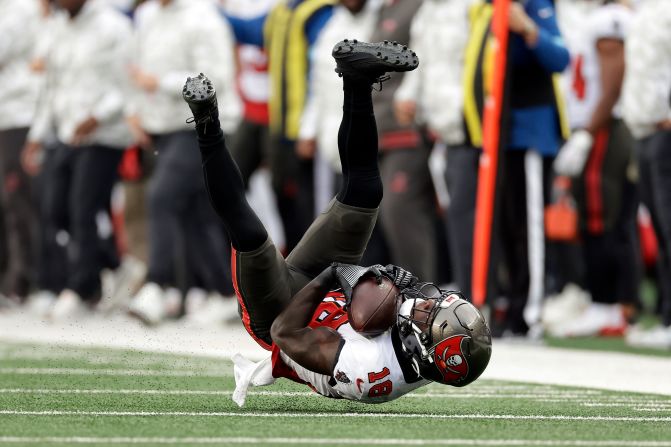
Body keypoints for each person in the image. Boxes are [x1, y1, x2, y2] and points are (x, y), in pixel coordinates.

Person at [181, 40, 491, 405]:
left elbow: (285, 333)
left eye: (430, 316)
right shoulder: (417, 344)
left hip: (282, 315)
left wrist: (335, 274)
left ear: (422, 347)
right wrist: (356, 279)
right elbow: (381, 305)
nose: (425, 304)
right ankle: (356, 80)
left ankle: (206, 122)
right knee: (363, 195)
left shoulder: (369, 369)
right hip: (331, 290)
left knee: (248, 231)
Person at [22, 0, 134, 319]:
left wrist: (97, 117)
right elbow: (51, 88)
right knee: (55, 209)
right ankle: (114, 265)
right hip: (67, 133)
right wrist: (36, 135)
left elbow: (126, 82)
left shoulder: (113, 26)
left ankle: (82, 289)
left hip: (105, 134)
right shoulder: (58, 27)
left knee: (82, 208)